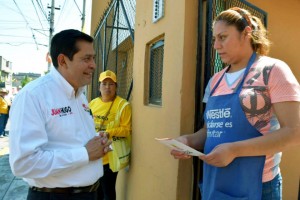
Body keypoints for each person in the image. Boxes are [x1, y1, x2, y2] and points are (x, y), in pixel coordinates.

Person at [170, 7, 300, 200]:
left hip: (259, 186)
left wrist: (234, 150)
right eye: (214, 39)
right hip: (216, 182)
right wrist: (188, 141)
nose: (216, 45)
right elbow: (209, 131)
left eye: (223, 37)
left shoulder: (273, 70)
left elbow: (294, 132)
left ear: (246, 33)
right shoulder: (215, 81)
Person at [9, 29, 112, 200]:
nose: (93, 64)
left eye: (93, 58)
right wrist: (85, 153)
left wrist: (97, 141)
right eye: (86, 58)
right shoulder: (33, 96)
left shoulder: (80, 96)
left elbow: (70, 140)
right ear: (63, 60)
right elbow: (23, 163)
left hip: (90, 193)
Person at [89, 70, 132, 200]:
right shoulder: (93, 103)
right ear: (99, 87)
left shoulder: (123, 105)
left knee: (108, 192)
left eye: (111, 84)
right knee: (96, 192)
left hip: (111, 157)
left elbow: (126, 130)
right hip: (94, 155)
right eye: (104, 83)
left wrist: (109, 133)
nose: (107, 87)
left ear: (116, 87)